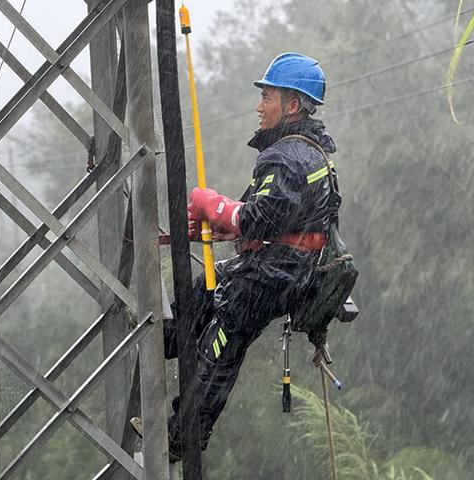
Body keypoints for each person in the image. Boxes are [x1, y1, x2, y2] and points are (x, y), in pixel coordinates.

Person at [135, 52, 339, 461]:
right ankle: (160, 343)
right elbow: (286, 215)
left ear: (292, 105)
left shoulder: (286, 156)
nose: (259, 106)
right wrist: (228, 223)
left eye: (267, 97)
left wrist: (216, 207)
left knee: (220, 348)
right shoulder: (309, 153)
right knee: (202, 296)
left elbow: (261, 218)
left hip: (275, 274)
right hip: (284, 269)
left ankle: (180, 438)